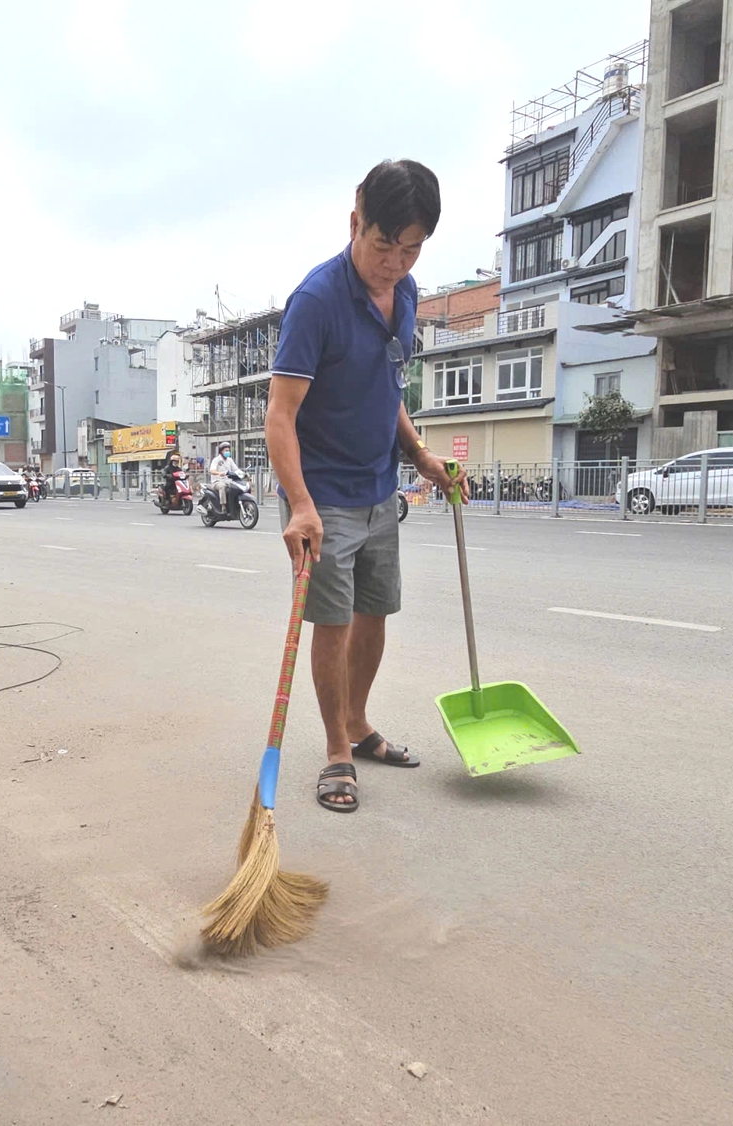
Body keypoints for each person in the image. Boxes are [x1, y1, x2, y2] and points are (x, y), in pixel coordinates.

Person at [266, 159, 459, 814]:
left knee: (375, 613)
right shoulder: (317, 302)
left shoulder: (405, 295)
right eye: (384, 246)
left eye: (411, 250)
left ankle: (359, 722)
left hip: (382, 492)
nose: (395, 263)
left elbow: (389, 387)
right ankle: (335, 752)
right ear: (356, 223)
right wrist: (298, 504)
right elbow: (281, 414)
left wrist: (419, 453)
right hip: (326, 499)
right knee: (335, 622)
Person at [208, 442, 240, 510]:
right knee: (222, 486)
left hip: (228, 481)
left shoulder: (230, 460)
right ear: (221, 451)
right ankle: (223, 505)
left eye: (228, 451)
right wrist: (219, 473)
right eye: (226, 451)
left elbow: (236, 470)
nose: (228, 452)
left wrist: (244, 474)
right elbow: (212, 471)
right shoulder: (216, 460)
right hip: (217, 482)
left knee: (237, 487)